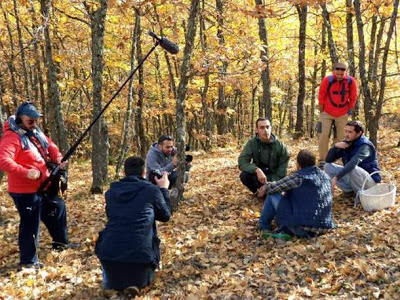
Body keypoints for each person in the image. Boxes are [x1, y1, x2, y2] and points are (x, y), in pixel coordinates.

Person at [0, 101, 78, 269]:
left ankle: (60, 243)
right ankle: (28, 262)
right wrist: (26, 172)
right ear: (20, 118)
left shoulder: (36, 132)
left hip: (44, 185)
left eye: (36, 119)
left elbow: (51, 146)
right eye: (31, 119)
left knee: (57, 209)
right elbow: (3, 160)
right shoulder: (11, 137)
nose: (34, 122)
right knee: (30, 224)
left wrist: (58, 158)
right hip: (25, 191)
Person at [95, 156, 171, 291]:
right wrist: (164, 189)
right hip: (141, 258)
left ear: (124, 173)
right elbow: (165, 216)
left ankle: (113, 283)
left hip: (109, 255)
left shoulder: (111, 192)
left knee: (114, 281)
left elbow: (110, 215)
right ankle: (136, 284)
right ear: (144, 173)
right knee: (140, 280)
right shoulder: (151, 190)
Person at [258, 150, 335, 238]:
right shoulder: (326, 177)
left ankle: (263, 226)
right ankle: (285, 230)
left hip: (301, 228)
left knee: (272, 194)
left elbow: (274, 187)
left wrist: (265, 187)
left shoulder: (298, 177)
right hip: (324, 227)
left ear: (298, 165)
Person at [324, 120, 381, 198]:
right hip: (355, 177)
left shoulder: (365, 146)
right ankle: (350, 191)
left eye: (350, 132)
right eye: (346, 131)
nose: (346, 134)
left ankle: (364, 196)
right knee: (327, 166)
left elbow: (353, 163)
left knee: (352, 168)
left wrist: (336, 177)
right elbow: (328, 160)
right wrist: (335, 147)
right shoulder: (347, 142)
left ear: (359, 133)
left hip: (370, 181)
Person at [317, 62, 358, 169]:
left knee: (340, 137)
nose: (339, 76)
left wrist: (349, 110)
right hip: (327, 112)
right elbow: (321, 95)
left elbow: (353, 96)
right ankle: (322, 160)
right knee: (323, 135)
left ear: (345, 72)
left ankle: (332, 158)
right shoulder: (327, 80)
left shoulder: (351, 81)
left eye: (341, 74)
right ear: (334, 71)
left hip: (342, 113)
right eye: (337, 74)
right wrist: (322, 110)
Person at [238, 117, 289, 198]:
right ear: (256, 130)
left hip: (275, 180)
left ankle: (267, 192)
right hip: (260, 178)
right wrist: (256, 169)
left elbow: (281, 173)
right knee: (244, 175)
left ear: (271, 128)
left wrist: (268, 186)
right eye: (262, 128)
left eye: (267, 127)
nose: (265, 130)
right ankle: (258, 193)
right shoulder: (252, 143)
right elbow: (242, 162)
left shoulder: (281, 147)